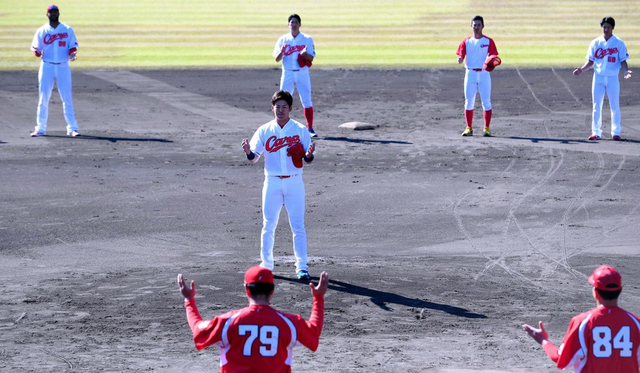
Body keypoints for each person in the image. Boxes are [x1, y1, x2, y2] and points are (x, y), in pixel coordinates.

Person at [177, 266, 328, 372]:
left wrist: (189, 300)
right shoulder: (288, 324)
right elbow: (313, 331)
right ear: (272, 290)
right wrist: (318, 298)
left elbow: (197, 329)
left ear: (246, 289)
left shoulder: (228, 322)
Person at [242, 90, 316, 280]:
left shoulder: (300, 130)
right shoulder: (265, 130)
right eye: (277, 107)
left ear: (290, 109)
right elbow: (254, 159)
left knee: (297, 226)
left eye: (284, 107)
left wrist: (308, 155)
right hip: (272, 183)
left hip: (294, 182)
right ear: (272, 107)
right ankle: (266, 266)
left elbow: (308, 158)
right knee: (268, 225)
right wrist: (249, 152)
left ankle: (302, 267)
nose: (280, 110)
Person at [523, 265, 640, 372]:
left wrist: (543, 340)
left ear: (595, 292)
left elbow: (561, 359)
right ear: (620, 290)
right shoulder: (636, 323)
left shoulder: (583, 322)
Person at [574, 17, 632, 141]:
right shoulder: (596, 42)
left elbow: (623, 60)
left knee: (614, 106)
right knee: (596, 105)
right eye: (604, 27)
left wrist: (625, 71)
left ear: (612, 28)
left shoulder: (618, 43)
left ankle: (616, 132)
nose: (606, 29)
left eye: (608, 27)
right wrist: (582, 70)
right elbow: (591, 61)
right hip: (598, 78)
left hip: (612, 78)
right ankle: (596, 132)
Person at [30, 4, 81, 137]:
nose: (53, 14)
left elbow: (72, 46)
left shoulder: (67, 29)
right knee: (43, 98)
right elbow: (35, 47)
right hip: (47, 66)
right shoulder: (42, 31)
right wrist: (36, 51)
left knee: (67, 98)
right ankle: (40, 128)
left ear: (58, 13)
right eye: (51, 12)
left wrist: (72, 54)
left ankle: (72, 128)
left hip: (63, 66)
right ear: (47, 14)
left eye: (55, 11)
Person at [273, 14, 317, 138]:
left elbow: (311, 57)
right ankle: (281, 127)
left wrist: (304, 55)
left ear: (300, 24)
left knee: (307, 100)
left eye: (295, 22)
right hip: (287, 73)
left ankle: (310, 128)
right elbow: (277, 59)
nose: (293, 24)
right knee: (283, 100)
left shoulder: (307, 39)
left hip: (302, 73)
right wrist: (282, 51)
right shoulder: (283, 39)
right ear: (288, 25)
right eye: (291, 22)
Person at [456, 15, 499, 137]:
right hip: (470, 74)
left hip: (484, 74)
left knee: (486, 102)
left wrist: (492, 62)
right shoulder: (466, 42)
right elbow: (461, 55)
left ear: (483, 26)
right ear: (471, 26)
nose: (476, 27)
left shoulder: (488, 41)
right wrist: (460, 59)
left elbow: (493, 56)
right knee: (469, 102)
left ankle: (486, 128)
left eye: (479, 25)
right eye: (474, 25)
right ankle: (469, 127)